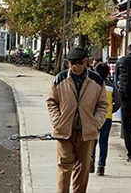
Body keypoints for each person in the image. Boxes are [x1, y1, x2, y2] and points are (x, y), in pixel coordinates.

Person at [46, 47, 109, 193]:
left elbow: (103, 104)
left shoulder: (96, 80)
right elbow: (51, 102)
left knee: (83, 169)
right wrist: (57, 120)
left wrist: (96, 123)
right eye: (72, 63)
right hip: (64, 131)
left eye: (80, 62)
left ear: (86, 62)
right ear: (68, 63)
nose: (76, 66)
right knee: (64, 165)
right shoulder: (59, 79)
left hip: (86, 132)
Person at [91, 62, 120, 177]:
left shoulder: (92, 85)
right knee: (104, 142)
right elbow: (118, 102)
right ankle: (101, 166)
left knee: (92, 140)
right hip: (107, 117)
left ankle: (90, 160)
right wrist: (111, 109)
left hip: (94, 117)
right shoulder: (111, 86)